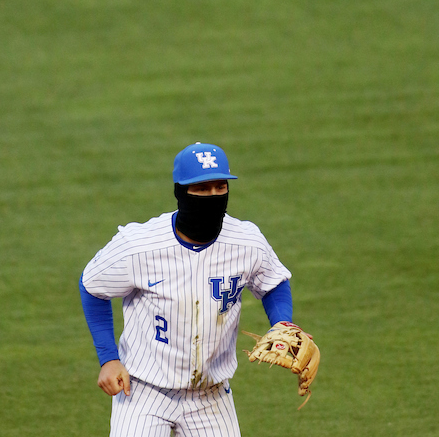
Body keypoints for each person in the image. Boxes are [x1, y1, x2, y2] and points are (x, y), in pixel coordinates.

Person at [79, 142, 295, 437]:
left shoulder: (247, 241)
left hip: (211, 397)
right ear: (181, 192)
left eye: (221, 188)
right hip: (142, 393)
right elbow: (92, 285)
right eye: (202, 189)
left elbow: (273, 282)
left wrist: (281, 322)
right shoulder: (138, 245)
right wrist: (109, 358)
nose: (213, 196)